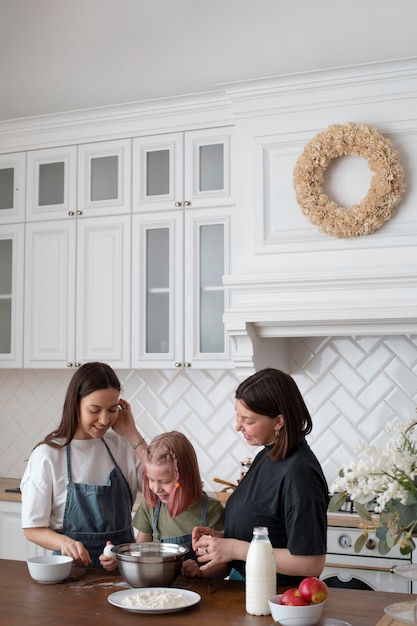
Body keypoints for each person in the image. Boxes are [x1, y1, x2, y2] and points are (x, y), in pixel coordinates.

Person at [188, 368, 328, 586]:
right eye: (237, 415)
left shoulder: (300, 474)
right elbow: (269, 530)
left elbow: (310, 563)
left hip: (280, 598)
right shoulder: (267, 455)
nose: (237, 425)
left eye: (248, 420)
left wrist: (235, 548)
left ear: (279, 421)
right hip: (247, 588)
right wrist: (222, 539)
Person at [21, 361, 147, 568]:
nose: (105, 420)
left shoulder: (123, 446)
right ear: (75, 404)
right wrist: (65, 542)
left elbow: (163, 484)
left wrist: (132, 433)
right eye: (95, 410)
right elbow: (32, 528)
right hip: (69, 571)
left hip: (125, 572)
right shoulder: (48, 455)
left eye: (112, 409)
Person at [100, 431, 224, 572]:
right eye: (151, 480)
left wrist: (201, 572)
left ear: (186, 477)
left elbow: (222, 567)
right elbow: (139, 555)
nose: (156, 489)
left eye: (164, 482)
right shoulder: (151, 506)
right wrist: (120, 560)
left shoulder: (211, 510)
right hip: (160, 589)